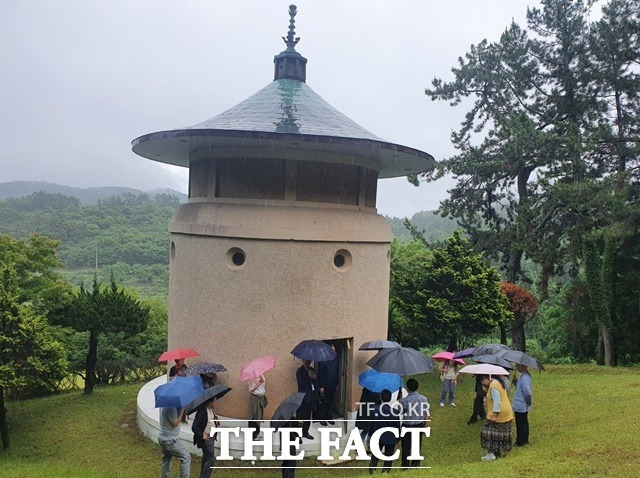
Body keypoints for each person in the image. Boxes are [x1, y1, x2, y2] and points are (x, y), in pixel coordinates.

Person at [480, 375, 514, 461]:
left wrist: (494, 415)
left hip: (499, 413)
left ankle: (491, 453)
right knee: (498, 434)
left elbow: (497, 401)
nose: (482, 382)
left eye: (483, 379)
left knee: (488, 432)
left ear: (489, 378)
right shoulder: (497, 383)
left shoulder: (494, 386)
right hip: (506, 412)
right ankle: (497, 452)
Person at [369, 389, 401, 474]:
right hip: (390, 437)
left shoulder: (374, 409)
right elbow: (397, 426)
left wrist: (370, 435)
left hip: (378, 437)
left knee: (375, 455)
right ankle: (385, 471)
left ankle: (372, 470)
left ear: (380, 397)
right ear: (390, 399)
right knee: (389, 455)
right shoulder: (395, 412)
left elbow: (371, 425)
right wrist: (398, 438)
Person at [399, 378, 429, 469]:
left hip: (407, 425)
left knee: (405, 447)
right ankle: (415, 464)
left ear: (407, 388)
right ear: (417, 387)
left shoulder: (405, 400)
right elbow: (426, 413)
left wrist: (400, 402)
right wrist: (426, 426)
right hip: (418, 425)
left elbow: (401, 412)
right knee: (416, 446)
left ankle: (405, 465)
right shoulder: (423, 398)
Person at [158, 405, 190, 478]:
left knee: (166, 459)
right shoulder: (170, 408)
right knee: (186, 457)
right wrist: (182, 411)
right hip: (170, 440)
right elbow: (175, 424)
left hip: (163, 437)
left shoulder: (163, 405)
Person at [191, 398, 219, 478]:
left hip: (212, 437)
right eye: (215, 401)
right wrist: (202, 435)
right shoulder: (202, 411)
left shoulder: (211, 409)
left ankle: (202, 475)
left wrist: (215, 420)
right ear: (210, 402)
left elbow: (209, 422)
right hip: (207, 438)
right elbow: (194, 427)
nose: (216, 402)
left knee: (206, 457)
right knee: (210, 459)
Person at [317, 344, 339, 425]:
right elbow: (320, 373)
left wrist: (337, 383)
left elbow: (337, 370)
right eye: (332, 349)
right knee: (323, 402)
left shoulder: (336, 358)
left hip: (333, 384)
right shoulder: (323, 359)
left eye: (334, 349)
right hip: (325, 385)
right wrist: (321, 386)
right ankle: (321, 418)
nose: (333, 351)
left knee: (330, 402)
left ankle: (329, 417)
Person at [512, 364, 533, 446]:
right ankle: (523, 439)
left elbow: (527, 393)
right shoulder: (522, 376)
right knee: (521, 422)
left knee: (521, 423)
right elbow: (520, 388)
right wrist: (516, 383)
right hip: (520, 403)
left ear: (524, 366)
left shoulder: (525, 377)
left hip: (522, 404)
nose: (517, 368)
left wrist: (528, 402)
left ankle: (521, 441)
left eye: (518, 366)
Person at [296, 359, 315, 439]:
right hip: (303, 397)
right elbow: (301, 384)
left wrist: (314, 378)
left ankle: (305, 432)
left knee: (308, 416)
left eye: (310, 360)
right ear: (303, 360)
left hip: (311, 395)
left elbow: (315, 381)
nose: (309, 362)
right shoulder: (300, 371)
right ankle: (297, 434)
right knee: (301, 416)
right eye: (307, 360)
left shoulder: (311, 369)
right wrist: (309, 377)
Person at [248, 374, 268, 440]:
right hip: (255, 398)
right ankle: (253, 436)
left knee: (259, 416)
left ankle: (257, 432)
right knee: (253, 416)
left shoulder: (261, 375)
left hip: (260, 398)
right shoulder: (252, 377)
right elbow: (251, 389)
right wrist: (259, 382)